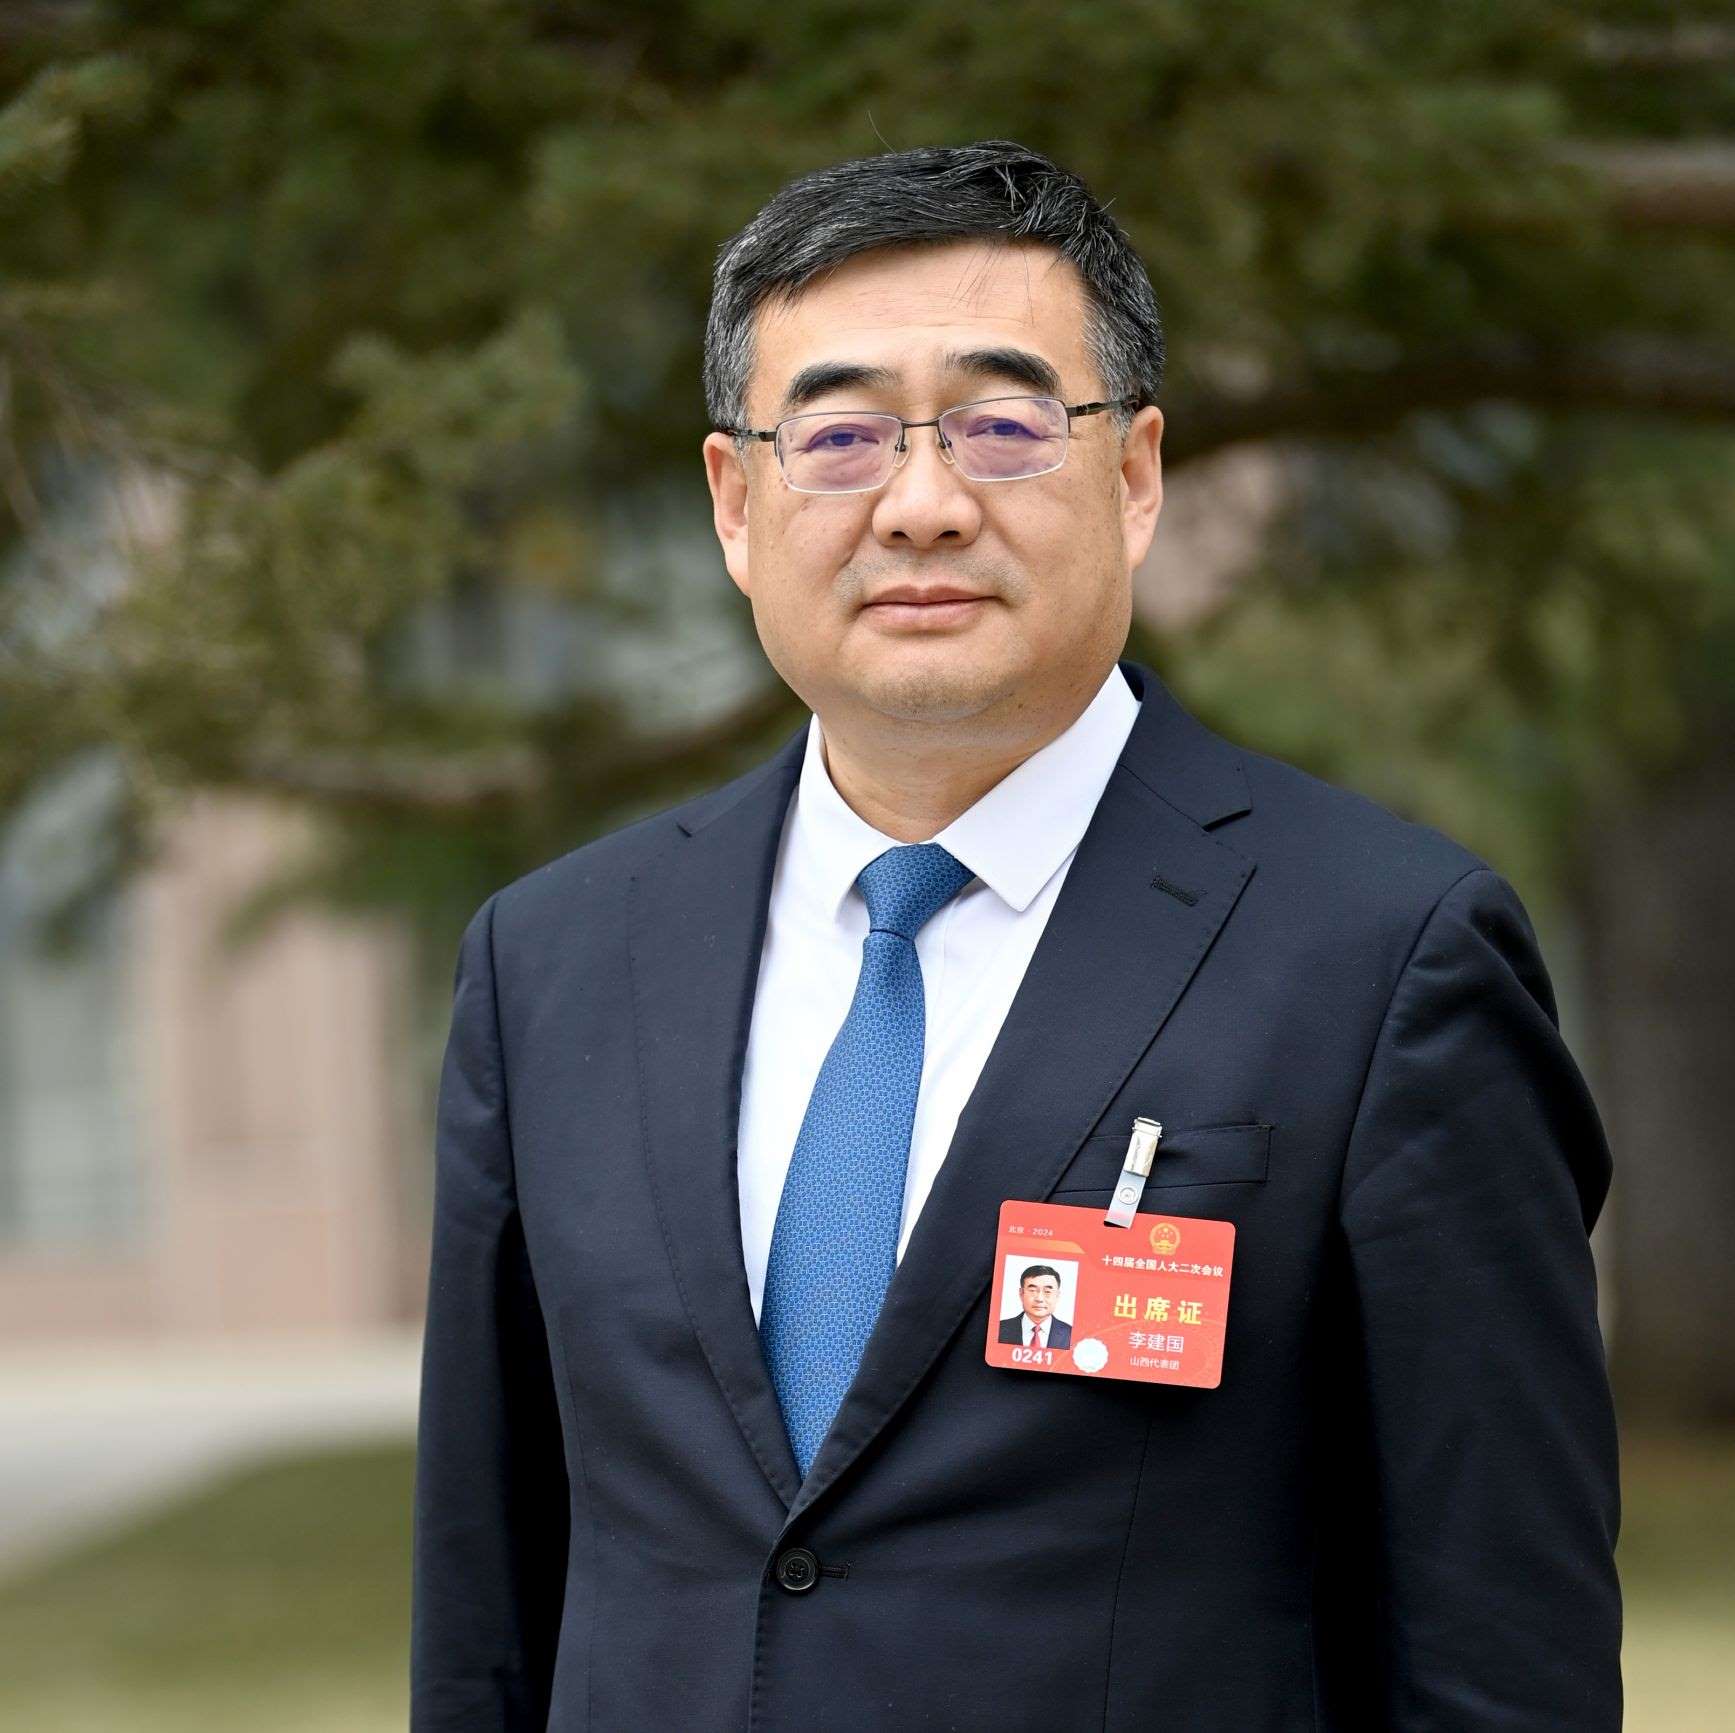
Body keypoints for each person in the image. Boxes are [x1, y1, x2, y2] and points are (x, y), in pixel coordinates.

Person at [411, 140, 1623, 1730]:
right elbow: (486, 1624)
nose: (922, 506)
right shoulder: (553, 965)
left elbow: (1503, 1663)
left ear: (1134, 477)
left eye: (1002, 426)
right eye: (839, 438)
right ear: (735, 502)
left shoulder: (1386, 958)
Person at [998, 1263, 1072, 1348]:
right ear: (1021, 1293)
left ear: (1057, 1295)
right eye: (1032, 1290)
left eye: (1047, 1291)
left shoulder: (1071, 1334)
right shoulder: (999, 1329)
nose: (1039, 1299)